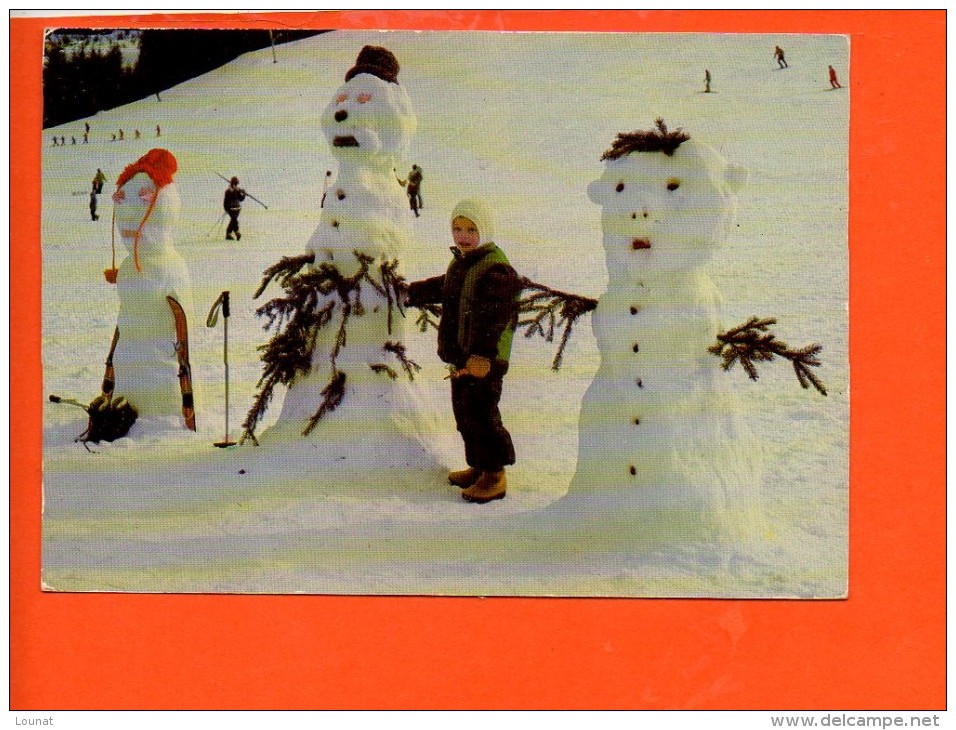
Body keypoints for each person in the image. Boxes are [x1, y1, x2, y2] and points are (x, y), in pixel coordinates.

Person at [405, 199, 521, 503]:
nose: (463, 235)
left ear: (485, 230)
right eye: (457, 228)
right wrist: (409, 292)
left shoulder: (496, 268)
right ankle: (480, 467)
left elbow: (495, 318)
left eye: (471, 229)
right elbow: (445, 288)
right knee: (465, 415)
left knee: (482, 415)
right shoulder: (464, 262)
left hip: (483, 361)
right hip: (463, 358)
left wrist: (482, 355)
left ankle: (495, 475)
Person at [223, 176, 246, 240]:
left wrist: (243, 194)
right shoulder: (231, 190)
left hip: (235, 208)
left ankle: (229, 234)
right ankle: (236, 232)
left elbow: (241, 199)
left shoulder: (235, 190)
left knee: (233, 220)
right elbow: (239, 198)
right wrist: (243, 193)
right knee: (234, 219)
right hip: (233, 208)